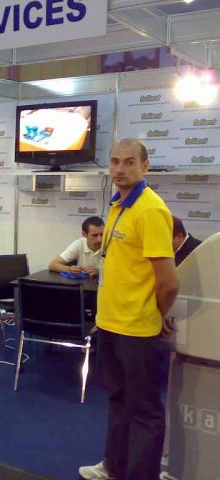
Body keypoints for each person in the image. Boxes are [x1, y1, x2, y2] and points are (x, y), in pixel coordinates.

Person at [79, 138, 179, 480]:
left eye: (129, 162)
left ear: (145, 166)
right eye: (115, 161)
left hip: (137, 329)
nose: (120, 169)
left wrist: (156, 314)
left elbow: (168, 283)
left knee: (144, 411)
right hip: (109, 323)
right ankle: (114, 467)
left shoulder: (151, 210)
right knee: (118, 401)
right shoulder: (117, 204)